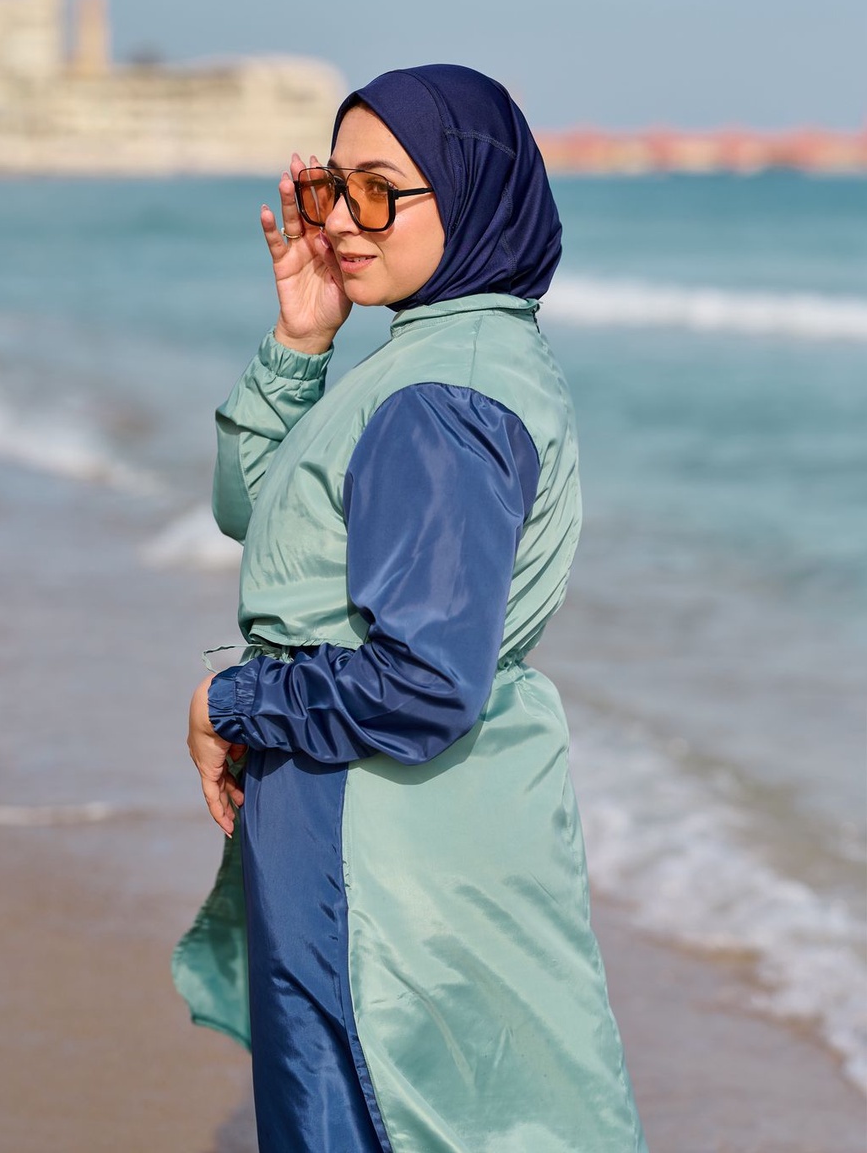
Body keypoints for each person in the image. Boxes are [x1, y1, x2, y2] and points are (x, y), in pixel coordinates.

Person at [177, 64, 647, 1152]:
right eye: (331, 187)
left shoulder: (441, 395)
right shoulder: (449, 353)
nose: (343, 220)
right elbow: (259, 514)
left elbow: (424, 681)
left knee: (374, 1115)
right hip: (404, 820)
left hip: (378, 846)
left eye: (381, 190)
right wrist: (302, 341)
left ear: (468, 190)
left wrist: (229, 699)